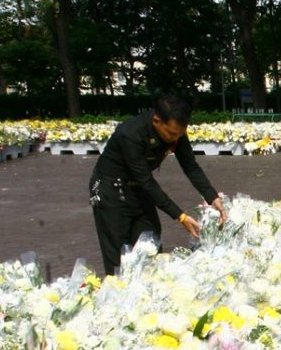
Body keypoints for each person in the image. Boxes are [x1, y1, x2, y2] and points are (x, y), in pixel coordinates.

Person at [89, 95, 227, 276]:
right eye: (171, 134)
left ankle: (151, 294)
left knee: (150, 243)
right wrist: (181, 216)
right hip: (109, 189)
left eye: (179, 134)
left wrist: (213, 198)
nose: (174, 139)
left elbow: (191, 167)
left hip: (139, 187)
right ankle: (117, 295)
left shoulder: (175, 132)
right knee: (118, 256)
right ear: (156, 121)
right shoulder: (130, 134)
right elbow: (146, 181)